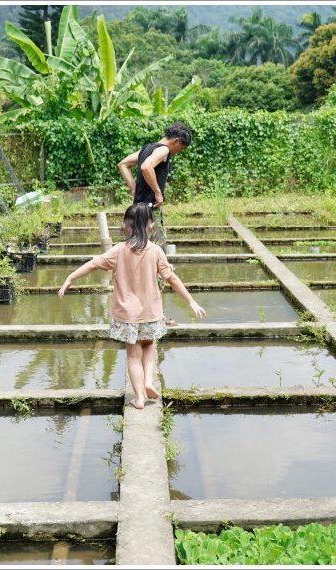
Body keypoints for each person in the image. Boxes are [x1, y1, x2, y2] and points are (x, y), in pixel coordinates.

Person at [58, 203, 206, 409]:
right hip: (151, 313)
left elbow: (92, 264)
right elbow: (172, 279)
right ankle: (147, 381)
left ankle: (138, 397)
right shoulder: (155, 251)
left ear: (126, 226)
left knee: (133, 356)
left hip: (127, 315)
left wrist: (69, 278)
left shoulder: (118, 251)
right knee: (150, 346)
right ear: (150, 226)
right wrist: (191, 301)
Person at [117, 121, 192, 250]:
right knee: (157, 252)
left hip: (136, 210)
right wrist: (158, 192)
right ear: (175, 141)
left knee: (137, 250)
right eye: (181, 148)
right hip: (149, 211)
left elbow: (123, 164)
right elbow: (146, 167)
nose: (179, 152)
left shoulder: (147, 149)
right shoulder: (164, 150)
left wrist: (134, 189)